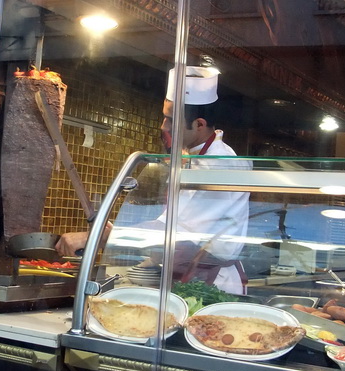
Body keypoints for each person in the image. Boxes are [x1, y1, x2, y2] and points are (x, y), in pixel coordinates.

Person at [56, 67, 251, 294]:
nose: (163, 127)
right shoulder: (196, 157)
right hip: (189, 275)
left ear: (199, 124)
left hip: (212, 284)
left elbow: (172, 232)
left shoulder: (219, 165)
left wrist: (102, 236)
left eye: (170, 120)